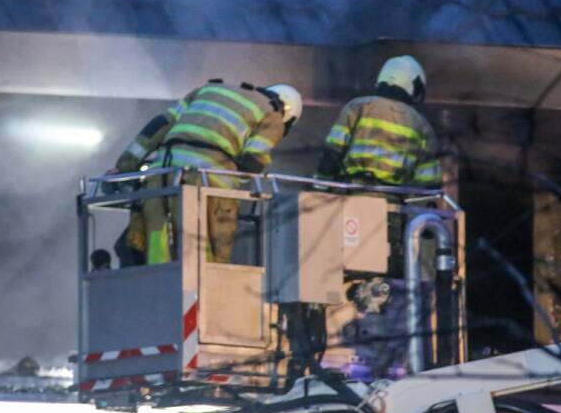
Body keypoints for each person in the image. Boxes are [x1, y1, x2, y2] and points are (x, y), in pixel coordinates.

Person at [109, 79, 303, 264]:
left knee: (157, 249)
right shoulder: (272, 115)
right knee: (206, 255)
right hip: (207, 186)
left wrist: (123, 167)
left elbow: (157, 127)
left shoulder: (206, 90)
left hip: (158, 179)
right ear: (288, 116)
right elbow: (252, 163)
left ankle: (159, 282)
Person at [316, 55, 442, 187]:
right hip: (393, 197)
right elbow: (429, 182)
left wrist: (320, 185)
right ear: (413, 85)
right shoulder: (422, 125)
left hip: (351, 192)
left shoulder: (356, 107)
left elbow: (331, 154)